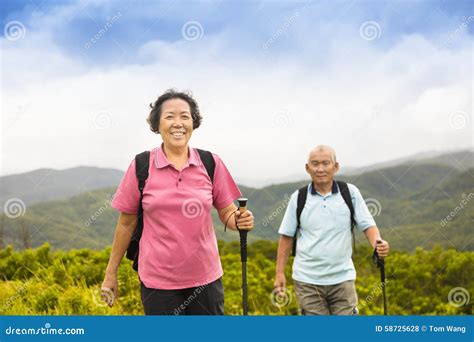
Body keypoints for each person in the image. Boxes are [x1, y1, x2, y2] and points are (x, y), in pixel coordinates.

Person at [101, 89, 254, 315]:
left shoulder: (210, 162)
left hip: (206, 279)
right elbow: (126, 223)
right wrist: (110, 273)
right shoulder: (142, 165)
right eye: (169, 116)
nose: (178, 123)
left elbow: (227, 211)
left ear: (193, 122)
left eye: (185, 116)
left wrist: (239, 220)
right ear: (157, 124)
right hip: (158, 283)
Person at [274, 145, 389, 315]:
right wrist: (279, 273)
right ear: (307, 168)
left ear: (336, 167)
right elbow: (286, 237)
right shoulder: (298, 198)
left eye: (326, 163)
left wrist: (377, 243)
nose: (320, 169)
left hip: (342, 279)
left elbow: (367, 225)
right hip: (307, 281)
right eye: (315, 164)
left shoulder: (350, 193)